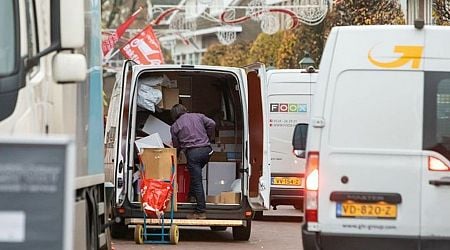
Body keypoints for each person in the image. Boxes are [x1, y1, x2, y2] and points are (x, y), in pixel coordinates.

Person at [170, 104, 215, 219]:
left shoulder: (175, 126)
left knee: (197, 181)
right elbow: (212, 124)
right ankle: (191, 196)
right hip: (207, 151)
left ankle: (201, 211)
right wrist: (208, 137)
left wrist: (178, 152)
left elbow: (176, 145)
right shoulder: (198, 116)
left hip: (193, 154)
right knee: (195, 175)